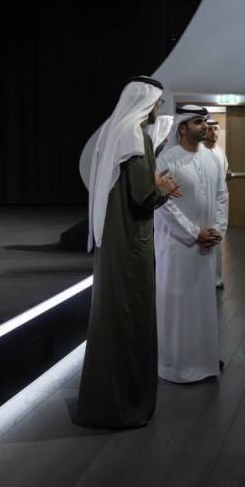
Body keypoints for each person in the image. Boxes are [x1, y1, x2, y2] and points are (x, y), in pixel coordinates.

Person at [76, 76, 181, 429]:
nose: (158, 109)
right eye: (157, 102)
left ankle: (105, 402)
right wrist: (163, 188)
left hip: (114, 239)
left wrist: (153, 184)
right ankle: (126, 405)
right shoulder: (135, 135)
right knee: (130, 316)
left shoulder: (114, 131)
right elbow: (143, 197)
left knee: (113, 316)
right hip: (130, 241)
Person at [155, 105, 229, 383]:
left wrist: (217, 229)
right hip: (177, 245)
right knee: (178, 306)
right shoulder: (167, 158)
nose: (204, 126)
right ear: (183, 127)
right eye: (198, 122)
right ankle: (176, 365)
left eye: (205, 122)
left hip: (206, 244)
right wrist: (193, 232)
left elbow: (222, 195)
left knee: (203, 307)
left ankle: (204, 361)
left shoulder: (211, 157)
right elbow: (163, 204)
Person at [203, 119, 229, 288]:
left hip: (219, 201)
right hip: (204, 203)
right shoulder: (200, 152)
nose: (213, 132)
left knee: (217, 239)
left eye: (216, 129)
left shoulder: (220, 151)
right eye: (210, 129)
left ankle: (216, 279)